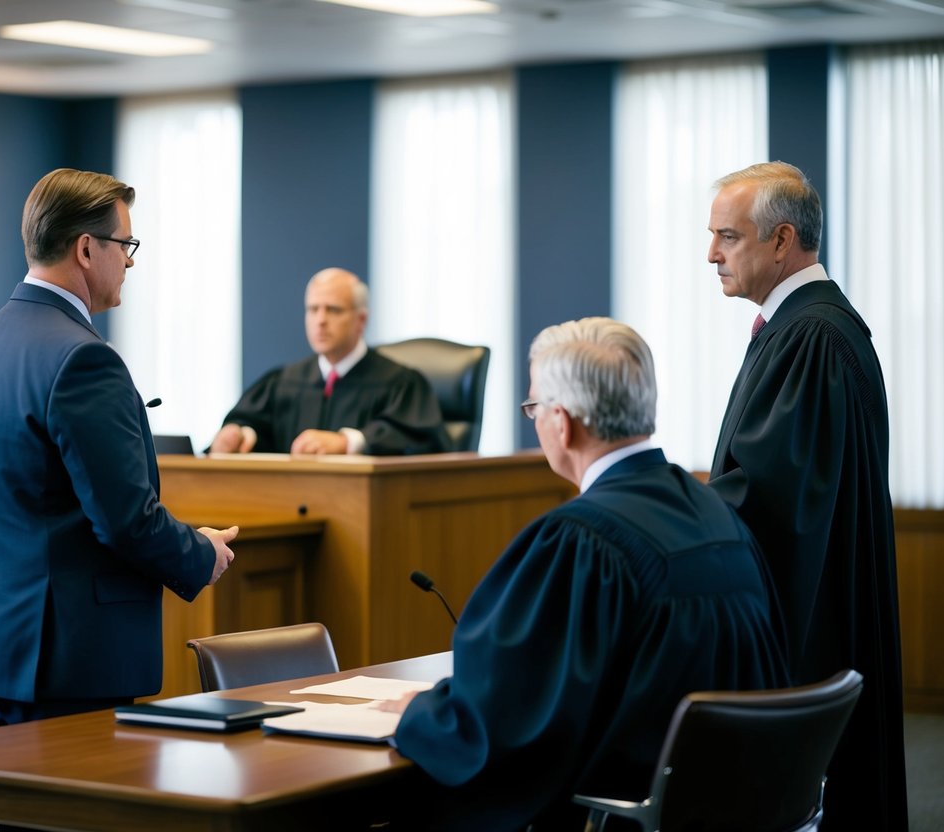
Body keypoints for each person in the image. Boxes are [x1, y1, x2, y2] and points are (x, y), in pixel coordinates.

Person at [383, 317, 789, 831]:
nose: (536, 421)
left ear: (562, 422)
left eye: (534, 407)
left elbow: (502, 733)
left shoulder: (584, 541)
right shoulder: (719, 519)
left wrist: (419, 714)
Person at [0, 168, 238, 731]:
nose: (129, 261)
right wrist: (201, 554)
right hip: (71, 656)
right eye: (125, 244)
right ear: (86, 248)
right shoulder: (83, 359)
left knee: (21, 814)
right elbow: (126, 519)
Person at [706, 161, 907, 831]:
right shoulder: (801, 326)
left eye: (727, 237)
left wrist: (671, 513)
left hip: (809, 610)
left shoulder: (812, 337)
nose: (711, 254)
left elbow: (774, 498)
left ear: (781, 240)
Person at [209, 267, 449, 455]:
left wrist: (347, 443)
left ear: (361, 320)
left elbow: (422, 442)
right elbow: (257, 429)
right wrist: (240, 434)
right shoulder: (284, 381)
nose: (320, 320)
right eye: (313, 309)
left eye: (333, 310)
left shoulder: (400, 383)